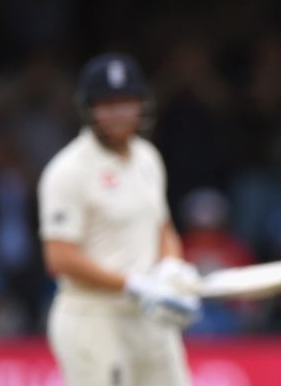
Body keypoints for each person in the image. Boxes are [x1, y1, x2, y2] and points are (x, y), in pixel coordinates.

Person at [38, 53, 202, 386]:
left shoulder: (148, 158)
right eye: (108, 105)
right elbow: (59, 257)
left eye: (127, 103)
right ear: (89, 109)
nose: (119, 114)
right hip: (93, 318)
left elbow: (162, 227)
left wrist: (171, 267)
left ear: (141, 105)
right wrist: (131, 284)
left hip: (148, 315)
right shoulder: (67, 170)